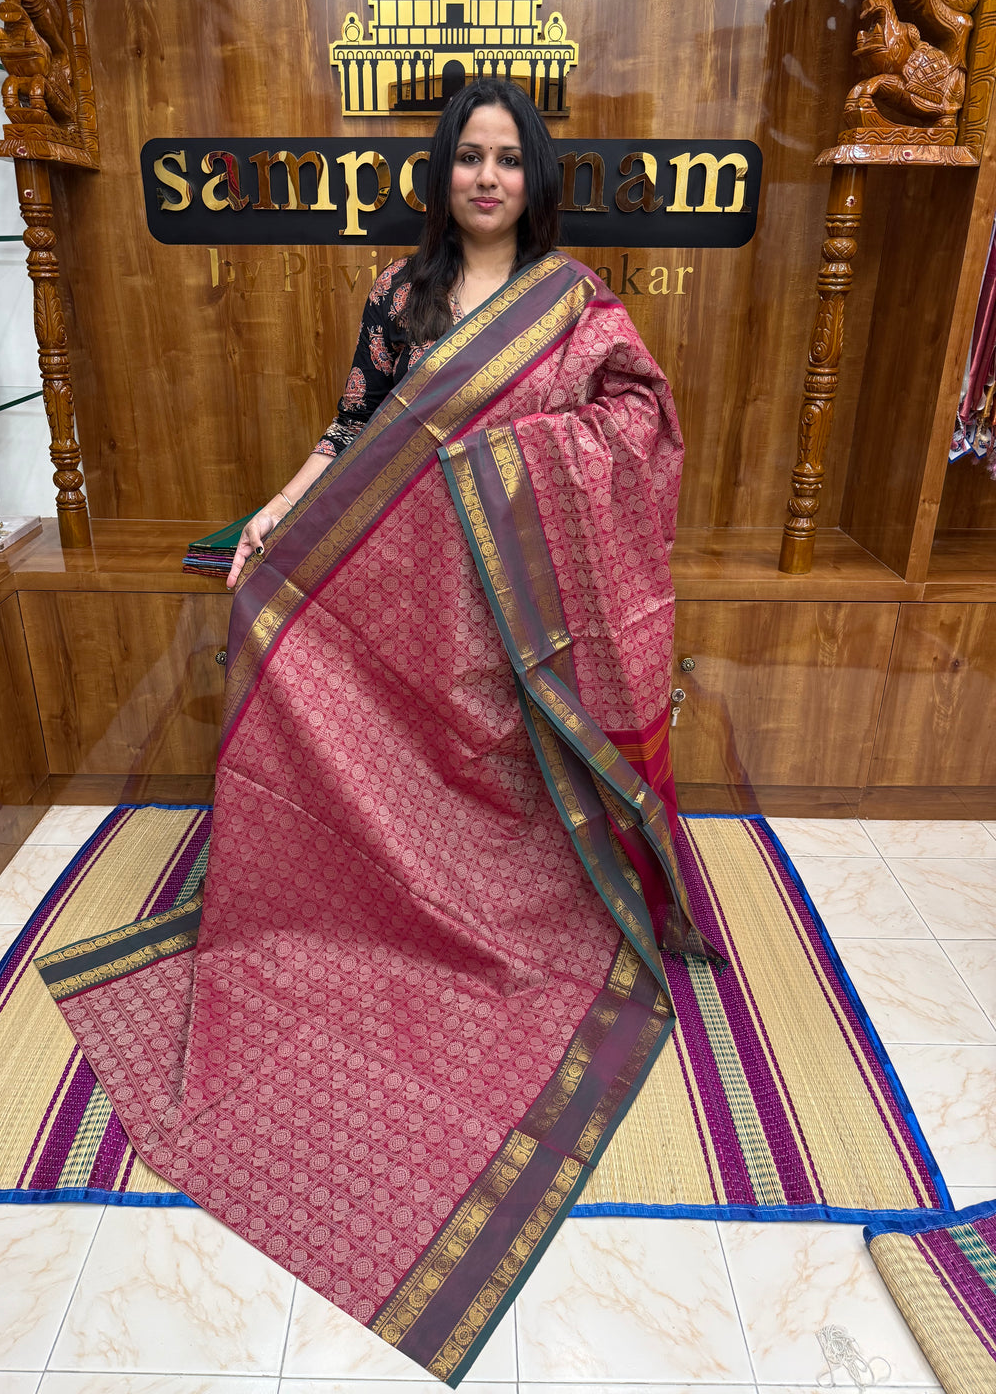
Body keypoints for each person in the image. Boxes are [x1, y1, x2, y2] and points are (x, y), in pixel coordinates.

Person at [43, 79, 719, 1386]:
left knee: (506, 810)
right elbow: (348, 436)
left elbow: (643, 426)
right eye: (465, 156)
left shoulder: (578, 307)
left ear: (534, 175)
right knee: (274, 634)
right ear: (440, 171)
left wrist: (512, 470)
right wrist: (271, 516)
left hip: (511, 628)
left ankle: (513, 912)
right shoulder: (399, 302)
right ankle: (362, 899)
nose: (483, 176)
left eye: (505, 157)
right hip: (403, 605)